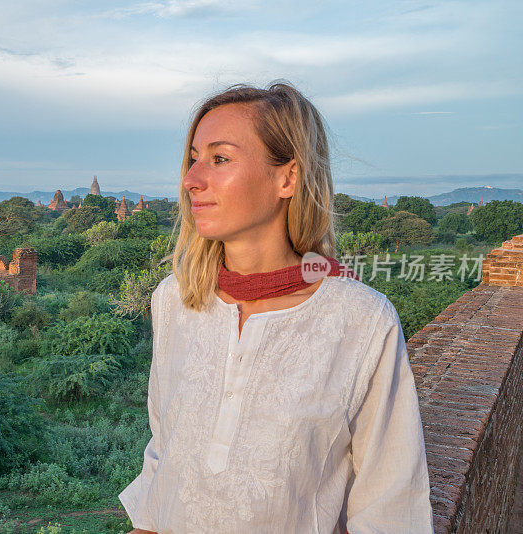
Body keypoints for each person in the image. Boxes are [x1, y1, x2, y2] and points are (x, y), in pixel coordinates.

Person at [118, 81, 433, 533]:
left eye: (220, 158)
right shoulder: (175, 300)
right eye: (193, 158)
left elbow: (390, 506)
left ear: (287, 177)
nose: (191, 179)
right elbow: (164, 456)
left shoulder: (360, 321)